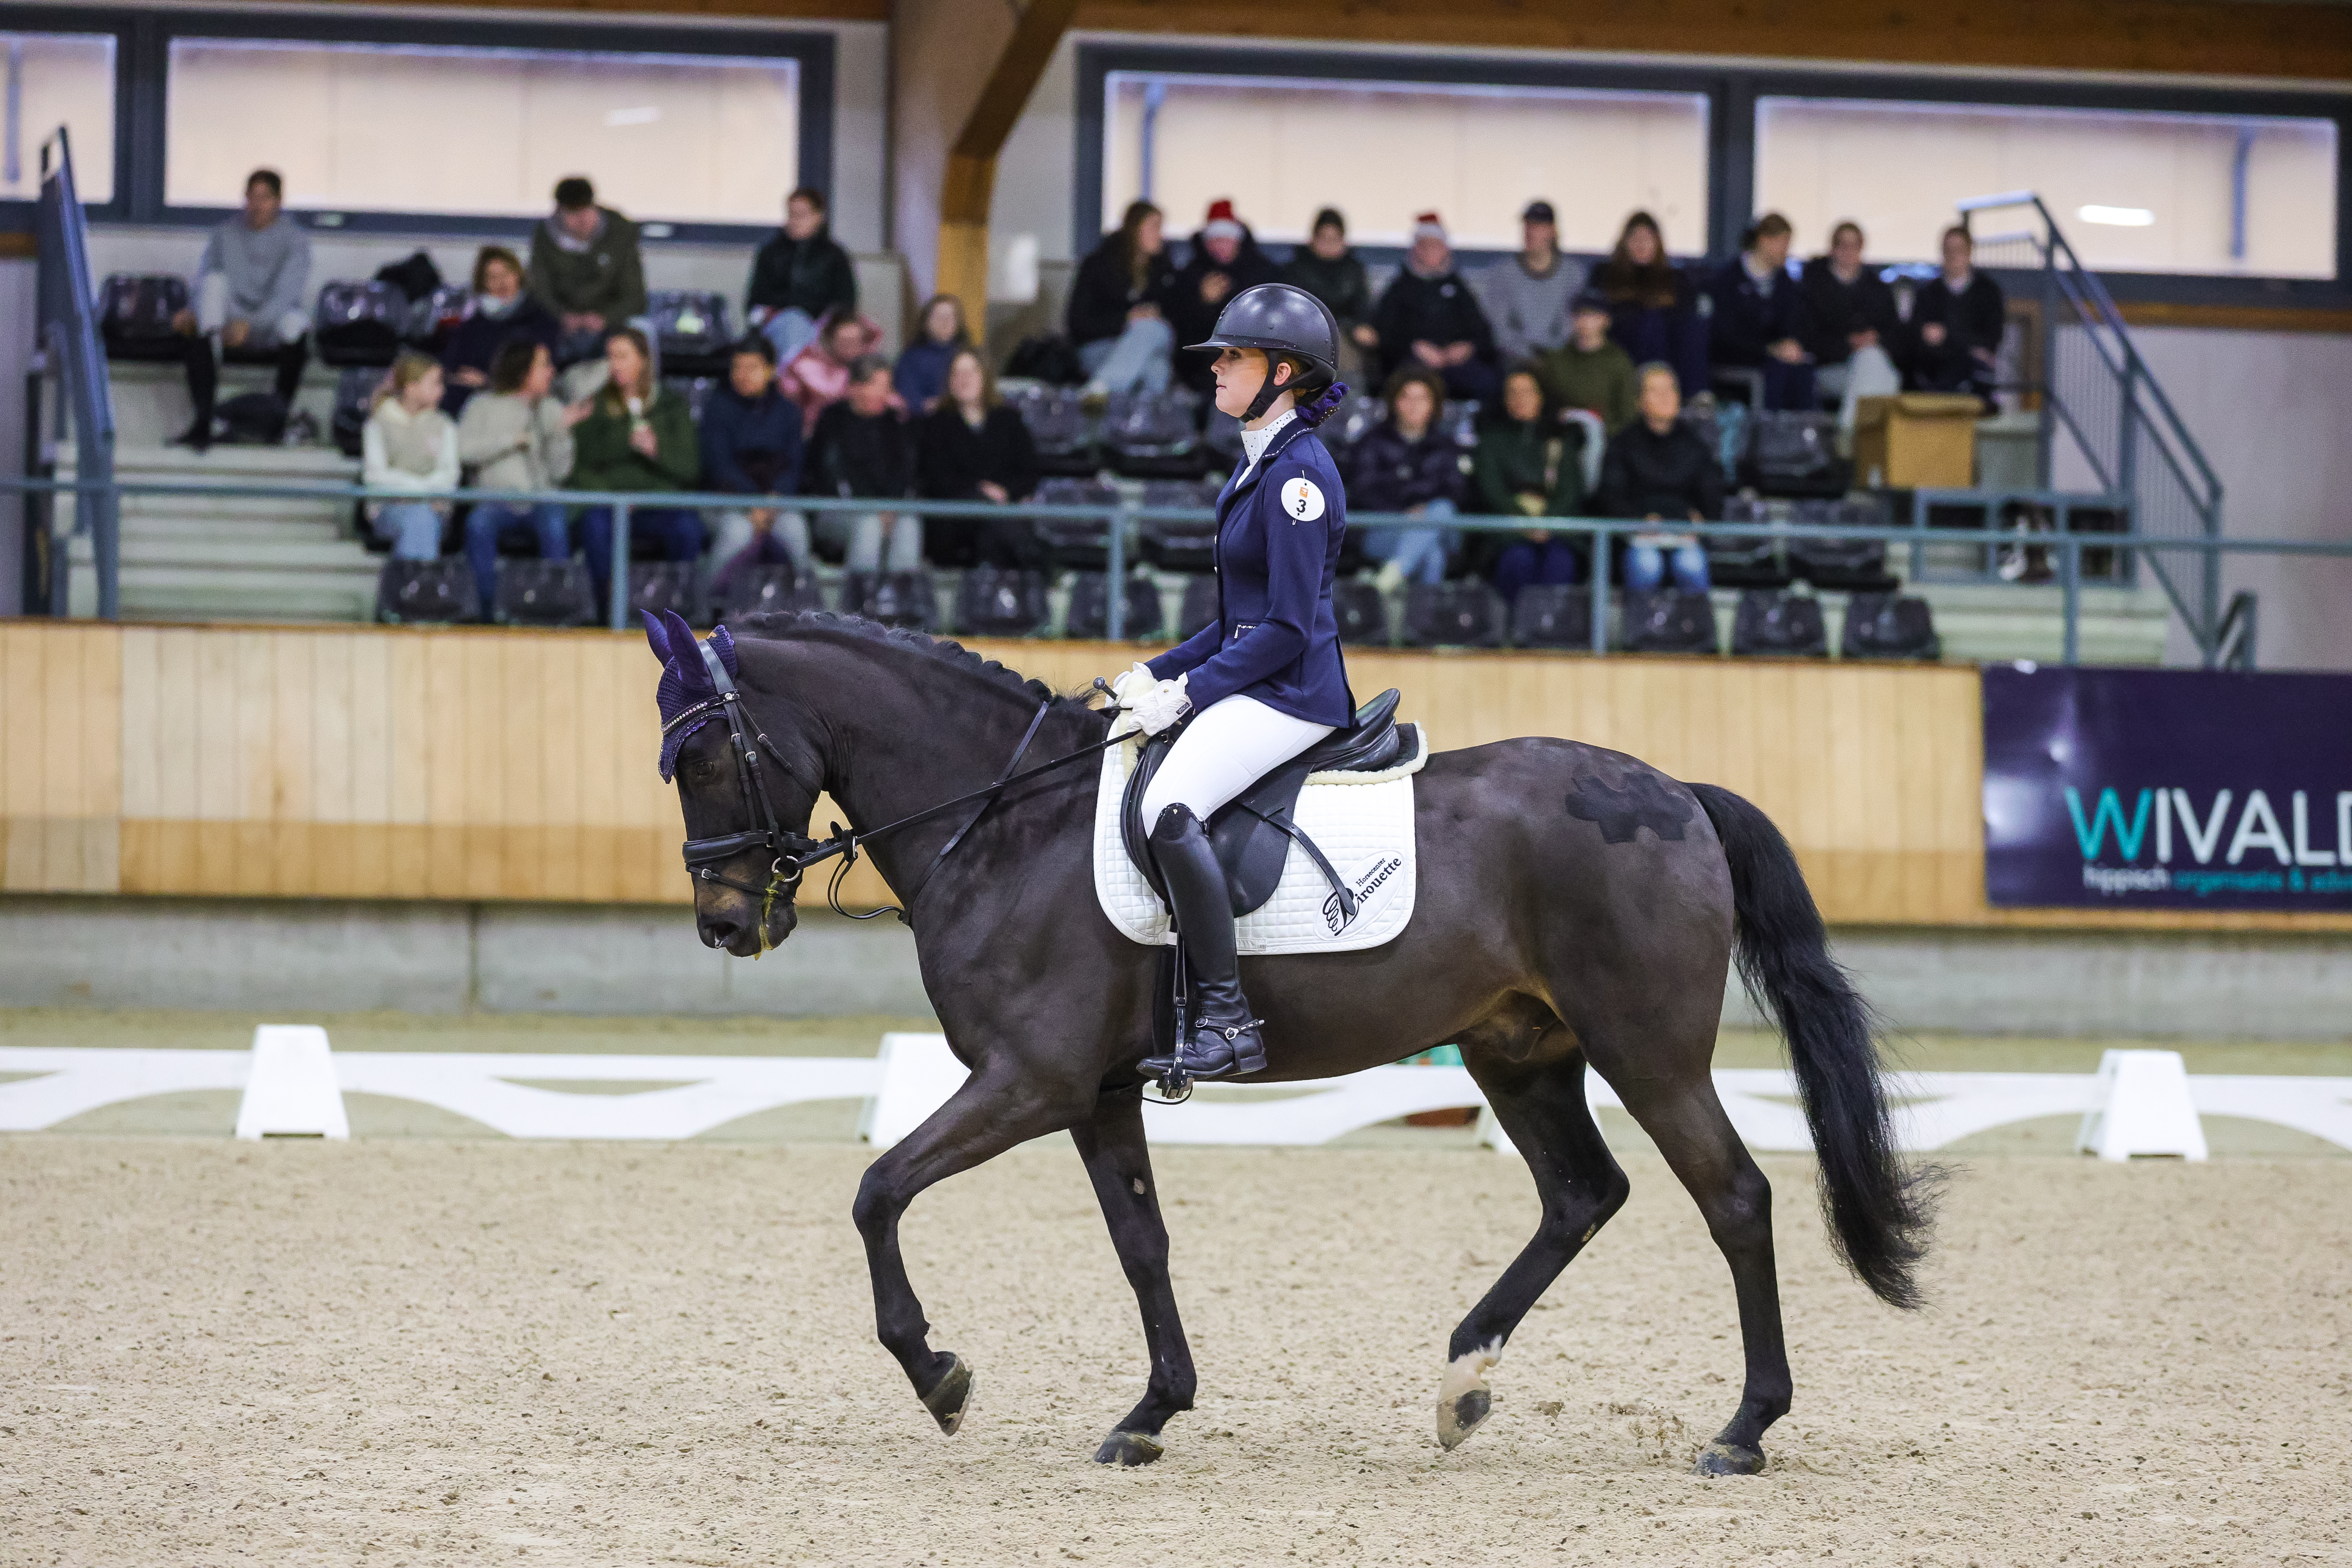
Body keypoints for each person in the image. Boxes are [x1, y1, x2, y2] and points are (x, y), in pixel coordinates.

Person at [1116, 283, 1355, 1085]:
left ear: (1283, 371)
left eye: (1233, 356)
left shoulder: (1299, 480)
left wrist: (1189, 696)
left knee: (1167, 807)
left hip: (1292, 694)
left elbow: (1286, 629)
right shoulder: (1261, 465)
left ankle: (1225, 1019)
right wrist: (1156, 669)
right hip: (1258, 677)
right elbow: (1234, 623)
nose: (1216, 369)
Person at [169, 168, 312, 452]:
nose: (258, 205)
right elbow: (207, 278)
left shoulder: (295, 240)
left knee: (297, 325)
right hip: (226, 321)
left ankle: (278, 421)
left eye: (266, 198)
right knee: (210, 291)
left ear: (279, 201)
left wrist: (251, 324)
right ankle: (204, 421)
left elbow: (286, 295)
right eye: (252, 197)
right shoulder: (224, 233)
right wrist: (193, 312)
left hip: (271, 322)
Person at [569, 327, 702, 607]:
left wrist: (657, 451)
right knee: (593, 525)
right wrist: (615, 498)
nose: (614, 365)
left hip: (659, 504)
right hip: (610, 505)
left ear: (643, 359)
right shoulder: (594, 406)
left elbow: (690, 469)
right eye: (610, 357)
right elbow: (580, 466)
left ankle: (680, 610)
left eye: (622, 356)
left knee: (687, 527)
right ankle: (607, 613)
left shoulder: (672, 405)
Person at [455, 339, 579, 609]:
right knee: (478, 525)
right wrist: (511, 440)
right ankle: (485, 611)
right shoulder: (482, 405)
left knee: (556, 526)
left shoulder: (550, 408)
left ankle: (556, 607)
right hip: (495, 501)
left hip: (540, 502)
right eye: (544, 365)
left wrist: (561, 434)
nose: (552, 372)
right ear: (523, 370)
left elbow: (561, 471)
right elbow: (463, 450)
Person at [701, 336, 811, 594]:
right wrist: (753, 501)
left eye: (752, 368)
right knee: (737, 533)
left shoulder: (788, 411)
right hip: (726, 501)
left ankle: (809, 608)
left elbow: (795, 464)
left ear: (771, 370)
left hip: (777, 504)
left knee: (796, 530)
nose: (742, 375)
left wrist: (773, 500)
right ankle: (705, 606)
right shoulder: (717, 408)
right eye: (737, 367)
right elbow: (719, 464)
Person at [1598, 363, 1720, 594]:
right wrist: (1638, 521)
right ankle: (1640, 630)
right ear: (1639, 401)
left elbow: (1712, 495)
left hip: (1684, 537)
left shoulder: (1695, 445)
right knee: (1647, 566)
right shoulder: (1622, 445)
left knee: (1691, 566)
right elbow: (1610, 495)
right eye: (1655, 391)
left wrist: (1700, 518)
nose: (1665, 397)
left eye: (1670, 390)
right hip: (1638, 537)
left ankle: (1696, 630)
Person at [916, 347, 1042, 569]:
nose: (964, 380)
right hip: (955, 516)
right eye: (957, 373)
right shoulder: (936, 424)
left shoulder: (1009, 420)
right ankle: (1037, 571)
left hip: (1003, 511)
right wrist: (980, 490)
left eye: (971, 372)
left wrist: (1006, 491)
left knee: (995, 531)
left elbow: (1029, 471)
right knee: (997, 524)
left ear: (984, 376)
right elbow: (936, 478)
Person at [1472, 365, 1589, 602]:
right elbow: (1491, 488)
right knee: (1518, 559)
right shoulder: (1491, 440)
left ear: (1542, 397)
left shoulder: (1562, 438)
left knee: (1561, 562)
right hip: (1506, 531)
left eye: (1528, 392)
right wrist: (1524, 522)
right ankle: (1517, 630)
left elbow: (1570, 489)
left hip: (1558, 530)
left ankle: (1550, 630)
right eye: (1513, 393)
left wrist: (1547, 523)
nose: (1520, 399)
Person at [1345, 364, 1461, 593]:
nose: (1414, 406)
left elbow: (1457, 491)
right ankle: (1422, 625)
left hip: (1437, 525)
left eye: (1423, 398)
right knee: (1432, 556)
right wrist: (1404, 513)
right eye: (1406, 397)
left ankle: (1390, 579)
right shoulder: (1372, 442)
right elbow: (1363, 491)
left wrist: (1421, 510)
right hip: (1385, 528)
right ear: (1394, 402)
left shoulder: (1446, 446)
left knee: (1442, 509)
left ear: (1434, 405)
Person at [805, 354, 922, 574]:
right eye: (878, 386)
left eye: (887, 387)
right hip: (838, 510)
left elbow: (906, 472)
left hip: (890, 510)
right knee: (869, 526)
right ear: (856, 388)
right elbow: (832, 476)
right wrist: (874, 509)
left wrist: (892, 507)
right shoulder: (832, 421)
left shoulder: (897, 423)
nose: (885, 394)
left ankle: (902, 601)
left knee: (908, 526)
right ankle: (859, 601)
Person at [1372, 212, 1499, 403]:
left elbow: (1482, 331)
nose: (1431, 251)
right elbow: (1385, 333)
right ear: (1416, 249)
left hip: (1456, 363)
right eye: (1425, 246)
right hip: (1412, 362)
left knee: (1490, 383)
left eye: (1436, 245)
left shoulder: (1457, 287)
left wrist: (1467, 348)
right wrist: (1414, 347)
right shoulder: (1400, 288)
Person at [1165, 200, 1282, 395]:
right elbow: (1180, 323)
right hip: (1204, 359)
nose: (1220, 246)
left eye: (1226, 239)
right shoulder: (1191, 274)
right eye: (1214, 240)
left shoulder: (1262, 271)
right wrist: (1202, 301)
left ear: (1238, 240)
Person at [528, 176, 648, 365]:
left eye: (586, 212)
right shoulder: (545, 237)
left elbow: (635, 296)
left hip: (609, 323)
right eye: (573, 214)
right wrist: (563, 316)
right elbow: (540, 289)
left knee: (632, 338)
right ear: (560, 213)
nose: (582, 221)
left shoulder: (620, 233)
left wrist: (605, 318)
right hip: (560, 324)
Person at [1591, 211, 1709, 400]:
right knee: (1648, 320)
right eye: (1635, 239)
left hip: (1668, 352)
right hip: (1622, 345)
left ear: (1658, 243)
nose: (1641, 245)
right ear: (1625, 243)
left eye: (1648, 239)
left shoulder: (1675, 280)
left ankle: (1695, 398)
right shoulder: (1607, 275)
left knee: (1689, 326)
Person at [1066, 200, 1178, 398]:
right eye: (1154, 228)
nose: (1160, 235)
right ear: (1135, 229)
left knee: (1152, 329)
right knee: (1156, 369)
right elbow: (1078, 323)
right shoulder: (1098, 266)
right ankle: (1142, 425)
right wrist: (1128, 319)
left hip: (1149, 343)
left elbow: (1177, 316)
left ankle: (1098, 393)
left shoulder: (1164, 271)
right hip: (1102, 346)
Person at [1706, 213, 1814, 412]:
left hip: (1774, 355)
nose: (1786, 252)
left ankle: (1808, 432)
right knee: (1778, 369)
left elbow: (1795, 321)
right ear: (1764, 241)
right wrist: (1768, 349)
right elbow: (1725, 332)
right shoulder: (1728, 279)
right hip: (1739, 354)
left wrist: (1791, 343)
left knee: (1802, 368)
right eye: (1783, 244)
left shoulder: (1785, 283)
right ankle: (1769, 433)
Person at [360, 352, 458, 564]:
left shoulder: (445, 425)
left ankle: (410, 588)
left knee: (421, 517)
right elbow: (376, 476)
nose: (441, 392)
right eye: (434, 384)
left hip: (435, 509)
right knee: (419, 517)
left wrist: (414, 492)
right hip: (389, 509)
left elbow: (449, 475)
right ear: (411, 388)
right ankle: (422, 586)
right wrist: (421, 490)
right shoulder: (378, 424)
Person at [440, 245, 560, 417]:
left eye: (506, 274)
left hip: (522, 400)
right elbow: (453, 368)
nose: (502, 282)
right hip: (474, 401)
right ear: (483, 284)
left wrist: (487, 381)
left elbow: (544, 370)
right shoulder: (472, 327)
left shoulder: (541, 320)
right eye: (492, 277)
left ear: (518, 275)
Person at [745, 186, 858, 367]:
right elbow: (756, 300)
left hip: (823, 327)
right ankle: (798, 380)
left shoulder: (835, 256)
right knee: (793, 325)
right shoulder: (770, 253)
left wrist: (817, 318)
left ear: (818, 217)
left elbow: (846, 303)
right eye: (791, 214)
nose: (794, 221)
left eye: (802, 215)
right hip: (780, 323)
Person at [1800, 221, 1904, 415]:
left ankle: (1849, 435)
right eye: (1843, 246)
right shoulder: (1813, 288)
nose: (1849, 252)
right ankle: (1863, 438)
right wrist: (1849, 344)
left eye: (1855, 246)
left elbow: (1896, 336)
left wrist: (1875, 340)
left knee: (1873, 363)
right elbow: (1808, 338)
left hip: (1872, 361)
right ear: (1833, 249)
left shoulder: (1878, 290)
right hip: (1830, 367)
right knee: (1880, 374)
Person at [1477, 200, 1588, 363]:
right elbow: (1498, 327)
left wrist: (1551, 355)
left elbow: (1573, 324)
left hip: (1560, 359)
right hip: (1512, 358)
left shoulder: (1573, 274)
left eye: (1539, 227)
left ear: (1552, 231)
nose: (1531, 232)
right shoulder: (1503, 272)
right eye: (1528, 226)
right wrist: (1528, 355)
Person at [1909, 225, 2005, 407]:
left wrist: (1947, 336)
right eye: (1948, 250)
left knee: (1973, 366)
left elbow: (1990, 339)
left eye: (1958, 250)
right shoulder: (1928, 293)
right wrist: (1963, 344)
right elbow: (1917, 336)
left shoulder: (1988, 292)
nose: (1953, 256)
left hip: (1972, 371)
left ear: (1969, 253)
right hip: (1936, 367)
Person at [1279, 207, 1376, 379]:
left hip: (1345, 335)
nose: (1329, 244)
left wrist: (1359, 327)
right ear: (1313, 239)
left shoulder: (1354, 270)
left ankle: (1344, 399)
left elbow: (1363, 308)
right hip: (1304, 334)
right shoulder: (1295, 270)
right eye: (1323, 238)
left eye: (1334, 238)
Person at [1534, 292, 1638, 433]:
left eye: (1593, 315)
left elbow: (1627, 415)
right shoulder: (1555, 359)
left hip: (1606, 438)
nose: (1585, 321)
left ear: (1606, 320)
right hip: (1563, 436)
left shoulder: (1619, 360)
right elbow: (1542, 407)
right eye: (1580, 315)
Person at [781, 312, 887, 437]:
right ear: (831, 339)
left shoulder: (872, 369)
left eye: (856, 341)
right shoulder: (805, 366)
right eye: (846, 342)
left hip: (863, 435)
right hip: (814, 436)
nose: (851, 348)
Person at [892, 295, 969, 414]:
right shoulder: (911, 358)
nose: (945, 322)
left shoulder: (969, 356)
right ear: (926, 322)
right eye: (938, 316)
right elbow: (907, 398)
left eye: (950, 317)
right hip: (924, 423)